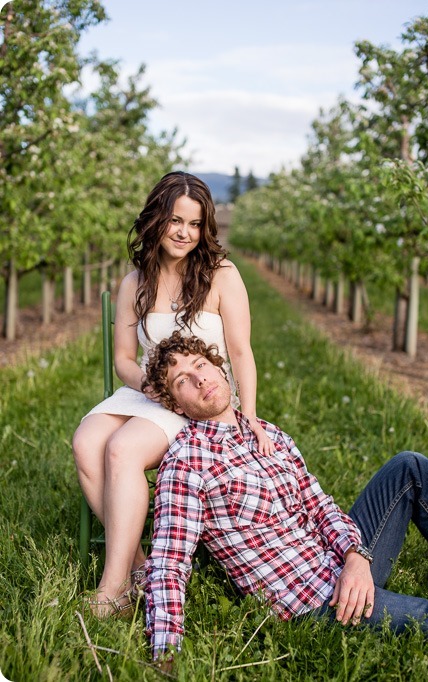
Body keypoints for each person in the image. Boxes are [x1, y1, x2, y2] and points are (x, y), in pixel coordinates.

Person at [142, 331, 428, 661]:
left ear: (220, 368)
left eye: (201, 364)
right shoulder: (187, 461)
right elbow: (168, 565)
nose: (200, 378)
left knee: (410, 466)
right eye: (182, 380)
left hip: (340, 561)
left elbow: (318, 505)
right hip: (314, 601)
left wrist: (356, 557)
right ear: (176, 403)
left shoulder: (270, 434)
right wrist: (166, 654)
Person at [72, 172, 273, 616]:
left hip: (201, 397)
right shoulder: (134, 283)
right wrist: (149, 387)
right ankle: (139, 569)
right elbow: (125, 358)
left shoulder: (221, 274)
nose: (184, 232)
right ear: (157, 220)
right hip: (149, 391)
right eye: (175, 220)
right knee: (87, 441)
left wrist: (251, 413)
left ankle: (111, 590)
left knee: (122, 449)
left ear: (205, 228)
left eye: (195, 223)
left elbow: (241, 350)